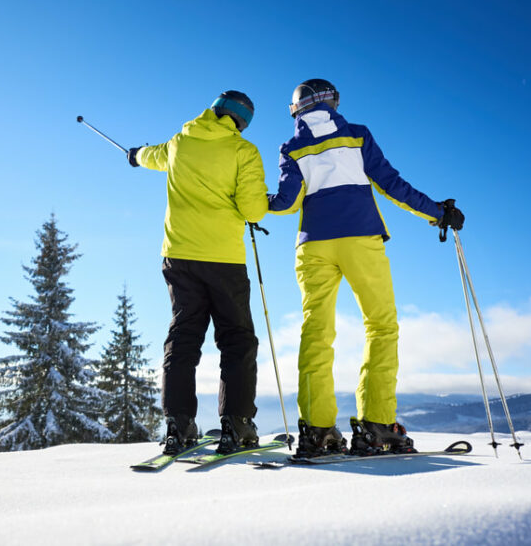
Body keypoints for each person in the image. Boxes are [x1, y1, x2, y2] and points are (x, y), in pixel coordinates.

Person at [267, 79, 464, 457]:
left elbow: (287, 203)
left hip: (313, 246)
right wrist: (438, 213)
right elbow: (391, 184)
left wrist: (251, 202)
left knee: (316, 332)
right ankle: (376, 427)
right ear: (333, 102)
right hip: (361, 238)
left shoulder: (291, 147)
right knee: (381, 325)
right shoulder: (357, 135)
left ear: (295, 111)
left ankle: (317, 431)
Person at [129, 91, 270, 454]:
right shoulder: (243, 151)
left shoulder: (180, 142)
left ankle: (178, 423)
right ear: (241, 121)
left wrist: (135, 155)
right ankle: (237, 423)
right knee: (237, 338)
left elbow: (152, 156)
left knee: (185, 335)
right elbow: (254, 209)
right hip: (223, 258)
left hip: (178, 256)